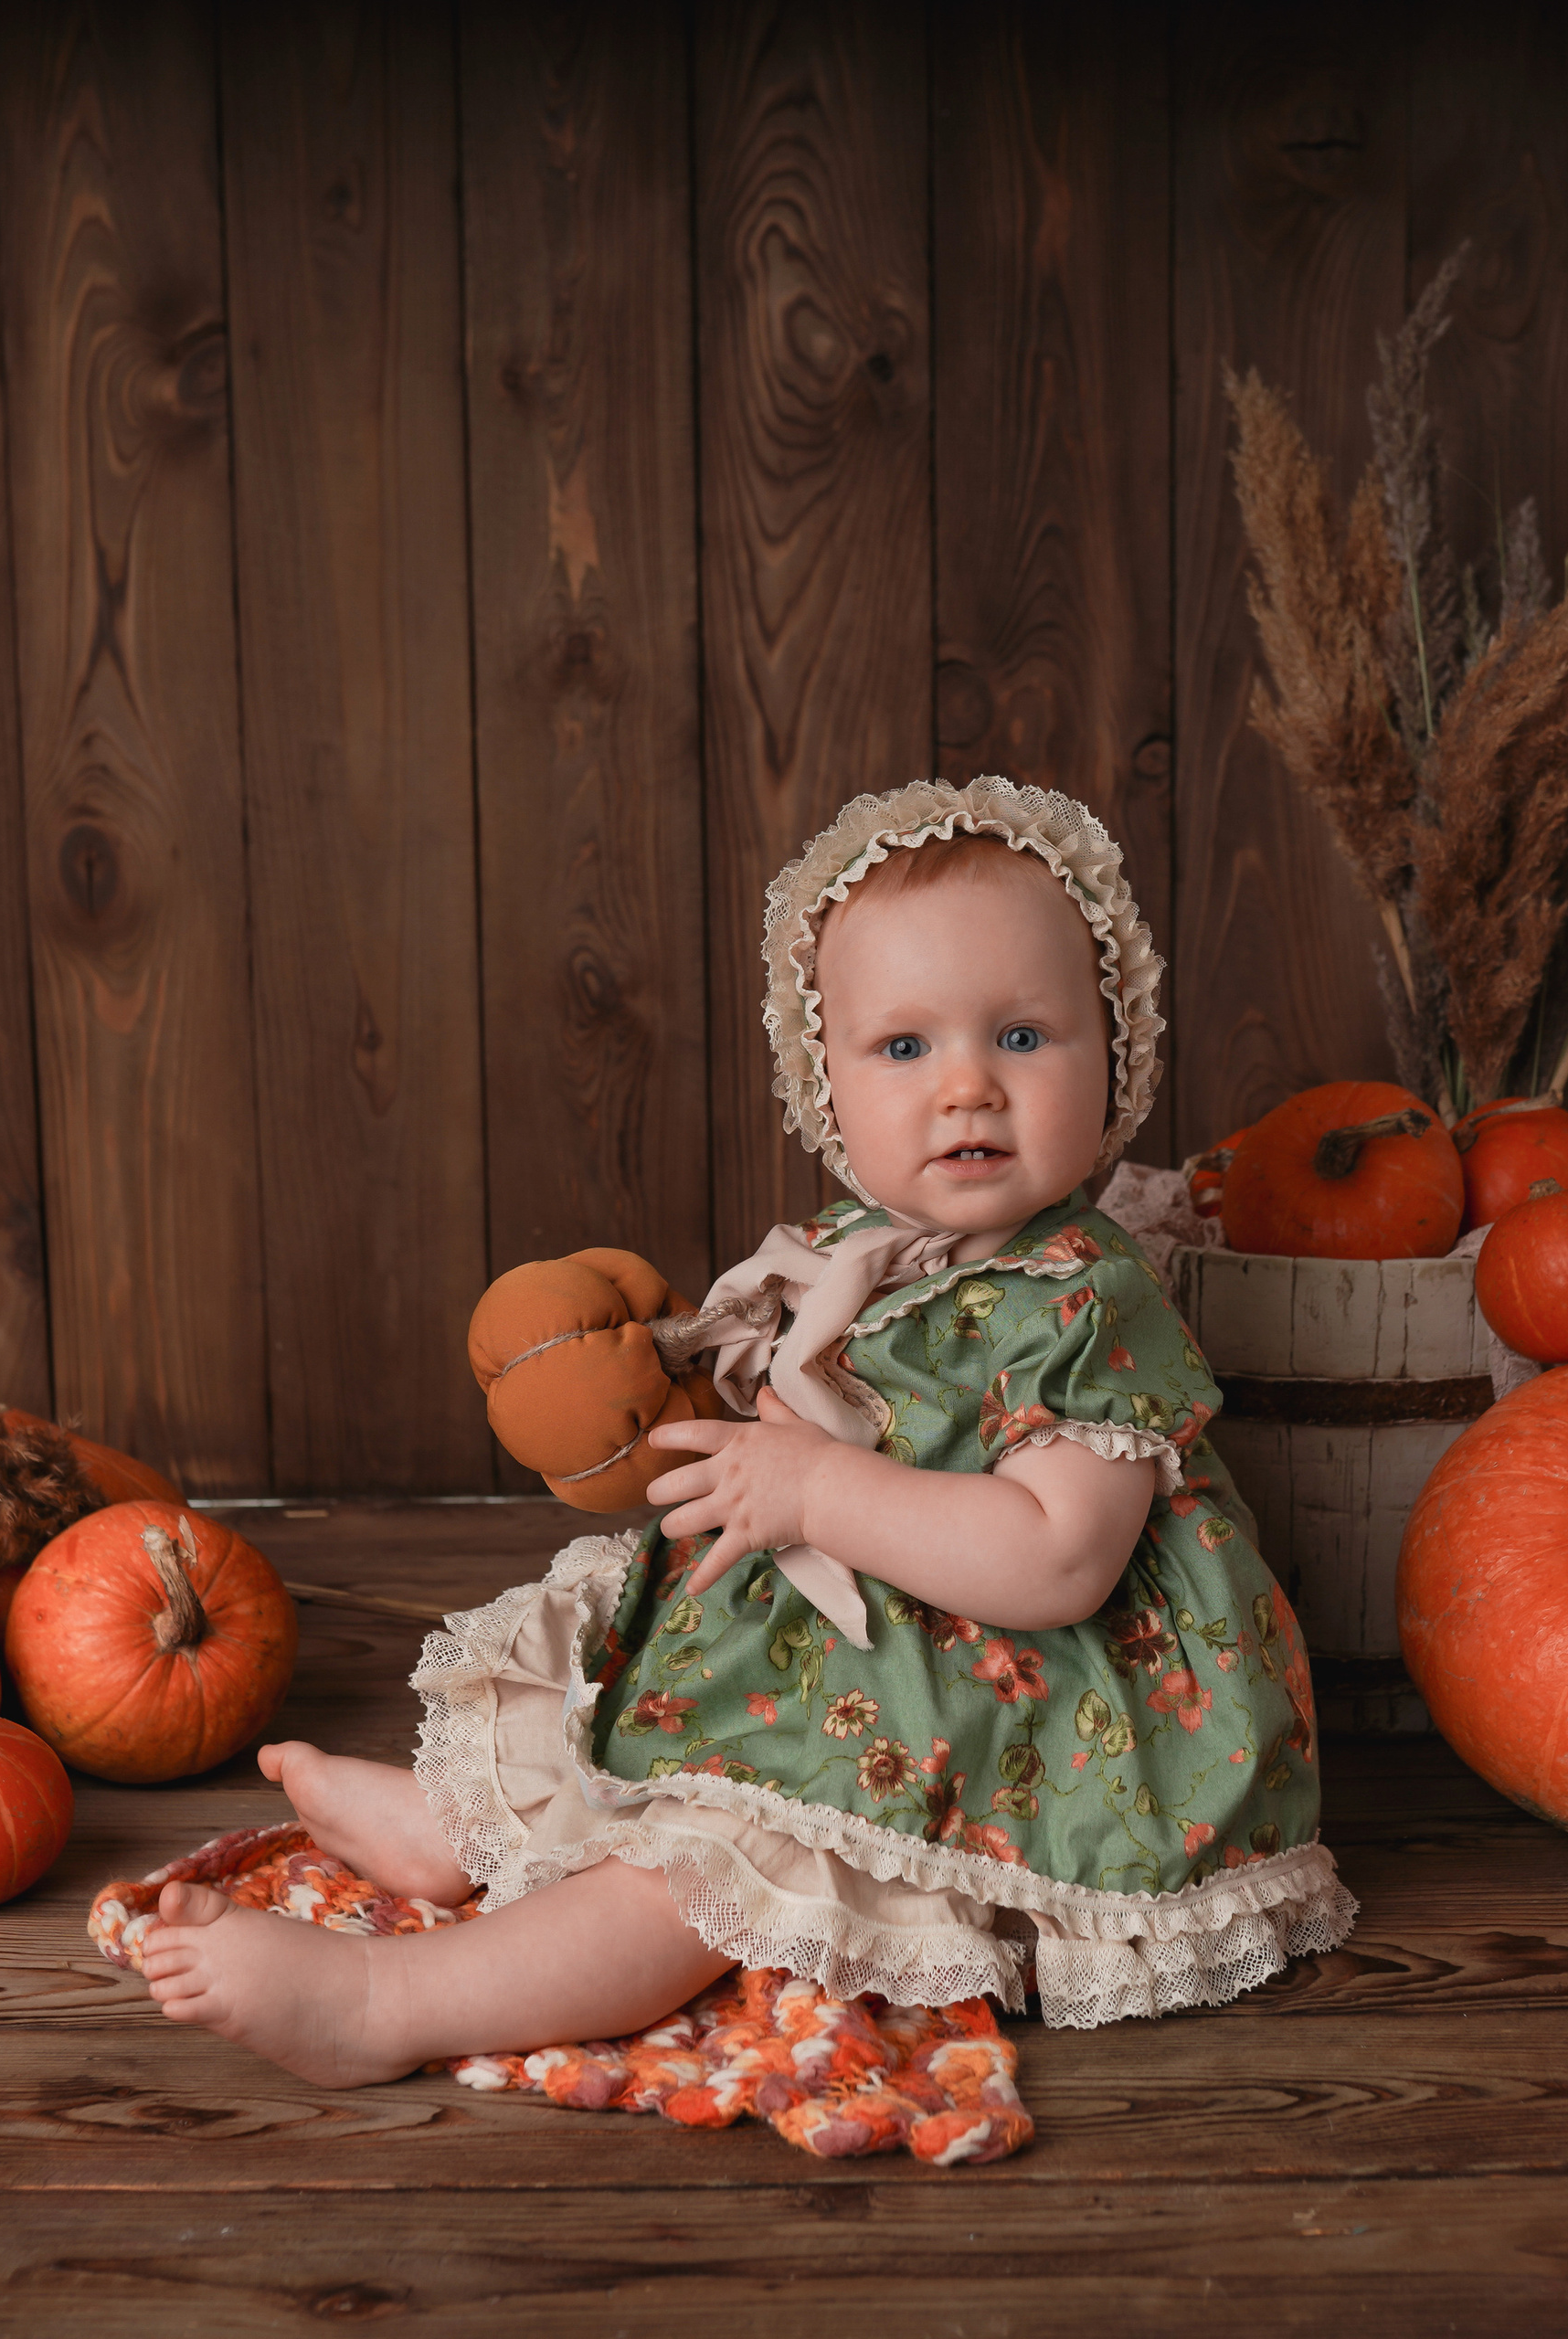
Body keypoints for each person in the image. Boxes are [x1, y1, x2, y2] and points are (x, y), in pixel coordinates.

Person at [143, 777, 1354, 2084]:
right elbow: (791, 1427)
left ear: (1113, 1055)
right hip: (869, 1633)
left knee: (738, 1853)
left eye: (1021, 1037)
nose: (967, 1089)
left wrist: (818, 1492)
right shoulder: (847, 1254)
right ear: (824, 1083)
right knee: (632, 1675)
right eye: (905, 1048)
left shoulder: (1087, 1301)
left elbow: (1060, 1561)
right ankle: (468, 1835)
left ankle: (394, 2002)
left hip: (1030, 1696)